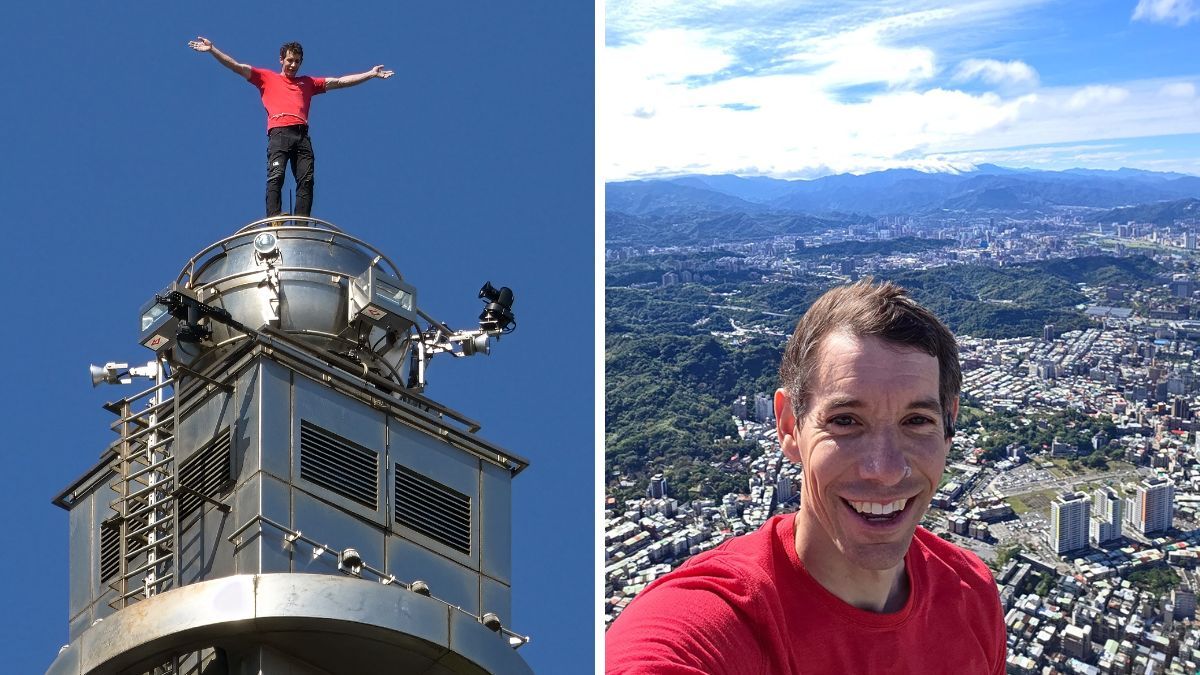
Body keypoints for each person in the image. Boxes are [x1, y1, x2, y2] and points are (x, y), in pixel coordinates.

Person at [606, 279, 1006, 674]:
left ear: (949, 425)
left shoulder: (972, 593)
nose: (884, 470)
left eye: (917, 421)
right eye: (846, 421)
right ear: (788, 427)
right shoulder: (722, 620)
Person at [187, 37, 393, 218]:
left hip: (302, 135)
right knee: (277, 176)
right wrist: (213, 50)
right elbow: (237, 67)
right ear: (281, 60)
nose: (293, 65)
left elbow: (339, 82)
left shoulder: (309, 83)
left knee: (307, 180)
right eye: (289, 60)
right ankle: (274, 217)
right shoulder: (266, 78)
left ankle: (302, 221)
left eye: (297, 61)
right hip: (279, 133)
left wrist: (370, 74)